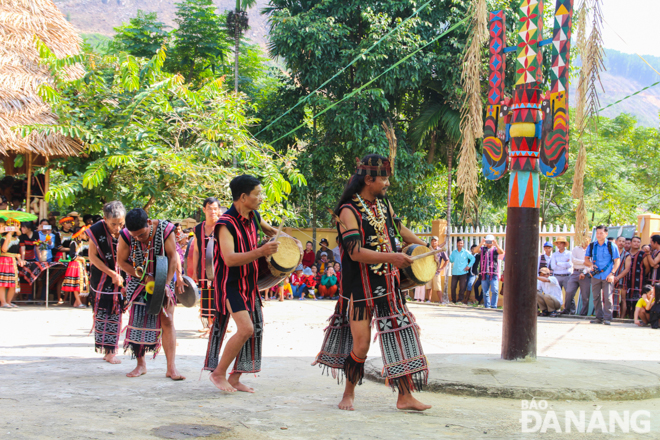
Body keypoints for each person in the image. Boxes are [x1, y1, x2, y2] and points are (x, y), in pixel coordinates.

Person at [313, 154, 431, 412]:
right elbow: (355, 253)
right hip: (360, 290)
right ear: (369, 179)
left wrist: (426, 247)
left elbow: (399, 229)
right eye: (384, 178)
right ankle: (348, 393)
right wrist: (393, 257)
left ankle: (404, 397)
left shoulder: (383, 204)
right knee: (362, 345)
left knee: (400, 338)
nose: (387, 183)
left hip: (388, 285)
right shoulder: (347, 211)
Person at [205, 175, 282, 393]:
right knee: (246, 328)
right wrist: (260, 252)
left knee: (255, 329)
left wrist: (287, 239)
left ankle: (235, 378)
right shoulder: (225, 224)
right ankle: (219, 373)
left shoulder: (254, 216)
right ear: (243, 197)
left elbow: (270, 231)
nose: (260, 198)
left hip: (250, 284)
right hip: (230, 285)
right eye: (257, 194)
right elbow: (229, 259)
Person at [117, 208, 185, 380]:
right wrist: (144, 276)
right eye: (135, 237)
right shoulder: (126, 235)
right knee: (138, 320)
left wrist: (166, 285)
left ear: (149, 223)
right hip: (138, 280)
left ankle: (171, 368)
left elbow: (172, 258)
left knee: (168, 320)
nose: (138, 239)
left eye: (141, 235)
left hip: (164, 278)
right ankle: (141, 365)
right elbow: (121, 262)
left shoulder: (166, 230)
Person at [85, 201, 126, 364]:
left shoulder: (127, 230)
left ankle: (111, 351)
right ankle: (105, 348)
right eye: (113, 224)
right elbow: (92, 256)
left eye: (120, 224)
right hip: (101, 277)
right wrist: (111, 273)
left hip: (122, 275)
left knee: (116, 312)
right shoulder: (96, 230)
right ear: (105, 219)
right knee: (101, 312)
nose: (117, 228)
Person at [193, 197, 222, 334]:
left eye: (215, 208)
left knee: (219, 297)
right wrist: (194, 271)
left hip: (220, 270)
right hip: (203, 269)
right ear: (204, 209)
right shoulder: (198, 229)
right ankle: (209, 325)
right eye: (210, 208)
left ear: (219, 210)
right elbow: (196, 251)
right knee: (206, 297)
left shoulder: (223, 227)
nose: (213, 211)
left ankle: (219, 325)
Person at [585, 225, 621, 325]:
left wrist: (612, 273)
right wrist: (591, 265)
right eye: (597, 233)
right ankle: (598, 317)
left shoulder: (611, 245)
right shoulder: (592, 245)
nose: (599, 235)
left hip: (607, 275)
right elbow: (586, 259)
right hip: (595, 276)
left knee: (608, 297)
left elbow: (617, 260)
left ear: (606, 234)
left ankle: (607, 318)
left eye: (601, 233)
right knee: (596, 297)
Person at [565, 239, 591, 316]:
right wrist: (584, 262)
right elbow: (573, 260)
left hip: (586, 273)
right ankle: (567, 309)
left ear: (589, 240)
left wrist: (584, 272)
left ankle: (583, 313)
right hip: (575, 272)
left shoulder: (591, 250)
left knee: (585, 295)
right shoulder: (576, 249)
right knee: (569, 291)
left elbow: (591, 264)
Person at [479, 234, 504, 309]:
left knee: (495, 290)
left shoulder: (495, 249)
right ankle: (487, 306)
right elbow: (475, 250)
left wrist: (496, 244)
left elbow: (501, 252)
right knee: (485, 291)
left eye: (490, 241)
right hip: (484, 273)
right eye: (488, 241)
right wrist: (482, 243)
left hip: (493, 273)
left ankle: (494, 306)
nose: (489, 243)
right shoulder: (483, 249)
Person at [624, 236, 647, 318]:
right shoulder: (626, 253)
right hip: (626, 279)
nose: (636, 243)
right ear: (631, 243)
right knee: (625, 298)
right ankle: (626, 315)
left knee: (637, 299)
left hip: (638, 280)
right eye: (634, 241)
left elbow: (646, 267)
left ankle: (635, 316)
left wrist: (640, 274)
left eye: (638, 242)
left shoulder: (642, 254)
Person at [0, 219, 21, 308]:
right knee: (3, 283)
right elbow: (4, 249)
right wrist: (8, 235)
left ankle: (9, 301)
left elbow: (17, 251)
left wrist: (19, 259)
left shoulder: (17, 239)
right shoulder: (3, 238)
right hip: (4, 261)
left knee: (13, 283)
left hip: (13, 261)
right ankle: (3, 302)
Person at [549, 237, 573, 312]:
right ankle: (556, 309)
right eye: (558, 243)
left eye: (561, 243)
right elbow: (553, 266)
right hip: (557, 275)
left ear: (564, 244)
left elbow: (569, 264)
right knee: (556, 292)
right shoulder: (554, 254)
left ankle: (571, 310)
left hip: (566, 275)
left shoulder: (569, 253)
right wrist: (564, 264)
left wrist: (558, 263)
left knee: (569, 292)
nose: (559, 245)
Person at [448, 238, 475, 304]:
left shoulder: (466, 252)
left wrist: (469, 266)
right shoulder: (454, 252)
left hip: (463, 273)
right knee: (453, 287)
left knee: (462, 288)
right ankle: (453, 300)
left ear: (463, 244)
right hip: (455, 272)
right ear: (457, 244)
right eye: (459, 243)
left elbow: (473, 258)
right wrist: (448, 254)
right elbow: (451, 260)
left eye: (461, 243)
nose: (460, 244)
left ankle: (460, 300)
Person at [612, 236, 631, 318]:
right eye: (620, 241)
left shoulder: (627, 255)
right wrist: (612, 276)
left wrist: (618, 277)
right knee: (609, 297)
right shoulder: (612, 253)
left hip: (621, 280)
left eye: (623, 241)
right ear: (616, 242)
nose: (621, 243)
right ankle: (609, 315)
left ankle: (622, 317)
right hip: (611, 278)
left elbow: (627, 269)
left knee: (623, 299)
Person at [428, 236, 448, 303]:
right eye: (432, 241)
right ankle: (429, 300)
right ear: (431, 242)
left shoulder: (440, 250)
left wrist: (441, 268)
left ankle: (441, 301)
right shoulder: (429, 249)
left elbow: (447, 260)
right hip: (429, 271)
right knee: (428, 286)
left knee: (438, 287)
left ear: (438, 242)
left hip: (436, 271)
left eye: (435, 241)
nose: (434, 242)